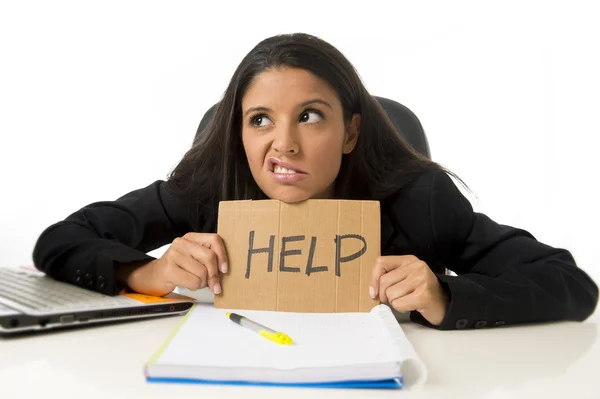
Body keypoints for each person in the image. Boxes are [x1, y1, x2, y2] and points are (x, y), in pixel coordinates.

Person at [32, 33, 598, 330]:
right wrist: (145, 270)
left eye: (309, 116)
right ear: (239, 134)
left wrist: (445, 296)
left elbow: (568, 283)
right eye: (261, 121)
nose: (284, 145)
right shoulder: (209, 187)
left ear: (351, 132)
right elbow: (59, 240)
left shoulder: (418, 199)